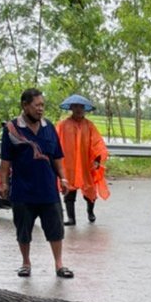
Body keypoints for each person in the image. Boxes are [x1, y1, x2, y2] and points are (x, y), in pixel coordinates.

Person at [0, 88, 74, 279]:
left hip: (48, 189)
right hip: (23, 190)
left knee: (55, 228)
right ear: (25, 105)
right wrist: (4, 183)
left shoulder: (49, 128)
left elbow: (57, 157)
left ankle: (59, 264)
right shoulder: (12, 129)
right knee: (23, 229)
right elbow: (5, 161)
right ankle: (26, 263)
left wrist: (63, 178)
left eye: (43, 105)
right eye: (37, 105)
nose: (41, 109)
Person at [55, 93, 108, 225]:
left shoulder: (89, 126)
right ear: (71, 108)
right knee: (68, 191)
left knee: (89, 190)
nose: (78, 109)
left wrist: (97, 159)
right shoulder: (62, 125)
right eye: (75, 106)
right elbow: (54, 142)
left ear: (85, 109)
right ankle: (71, 218)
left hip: (86, 164)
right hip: (68, 164)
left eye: (81, 107)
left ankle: (90, 212)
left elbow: (97, 143)